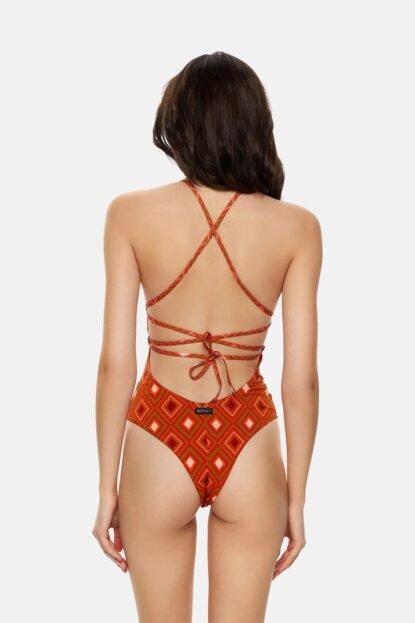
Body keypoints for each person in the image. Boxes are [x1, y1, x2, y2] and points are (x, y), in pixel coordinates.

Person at [92, 51, 322, 623]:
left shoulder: (129, 214)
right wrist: (296, 498)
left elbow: (115, 364)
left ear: (181, 122)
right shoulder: (297, 227)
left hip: (157, 431)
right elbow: (302, 380)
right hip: (249, 436)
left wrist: (106, 488)